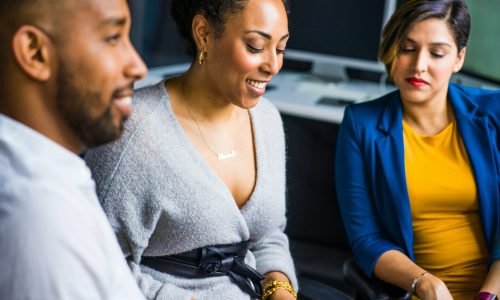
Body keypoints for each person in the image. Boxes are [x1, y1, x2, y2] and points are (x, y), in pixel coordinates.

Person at [84, 0, 298, 299]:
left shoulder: (267, 120)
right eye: (255, 46)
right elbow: (93, 265)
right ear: (204, 34)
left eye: (280, 49)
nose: (273, 66)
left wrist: (280, 288)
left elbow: (269, 235)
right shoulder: (134, 132)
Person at [335, 0, 499, 299]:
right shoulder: (361, 125)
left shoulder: (495, 113)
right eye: (408, 48)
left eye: (437, 53)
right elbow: (366, 239)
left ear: (459, 58)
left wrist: (488, 295)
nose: (419, 65)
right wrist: (423, 283)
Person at [0, 0, 148, 299]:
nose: (138, 66)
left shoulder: (47, 173)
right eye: (112, 38)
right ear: (35, 52)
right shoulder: (41, 218)